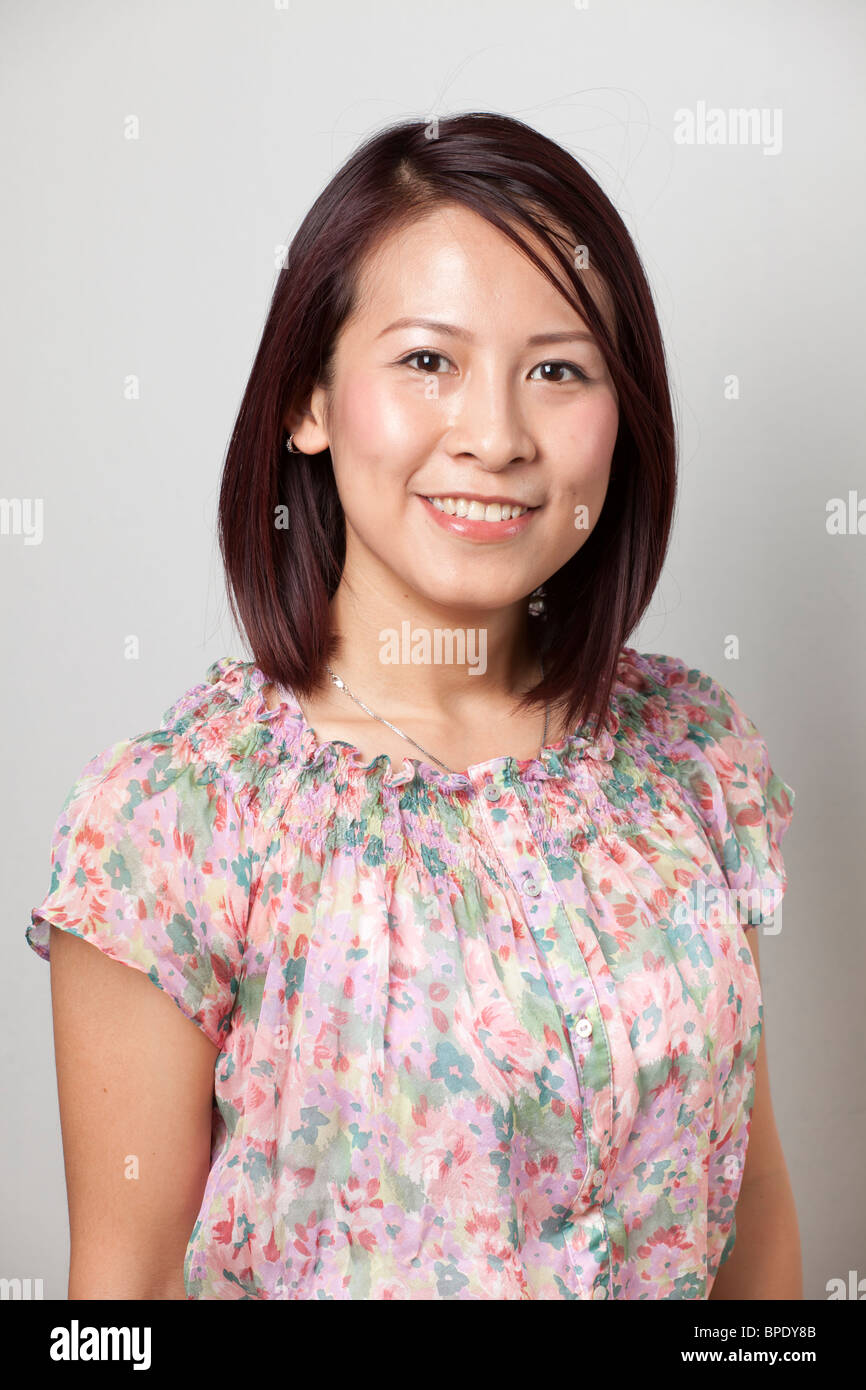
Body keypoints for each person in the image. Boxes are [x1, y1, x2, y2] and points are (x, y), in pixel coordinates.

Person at [27, 111, 800, 1300]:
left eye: (556, 369)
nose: (494, 436)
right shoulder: (174, 822)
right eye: (427, 361)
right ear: (308, 402)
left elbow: (748, 1219)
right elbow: (110, 1308)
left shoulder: (691, 756)